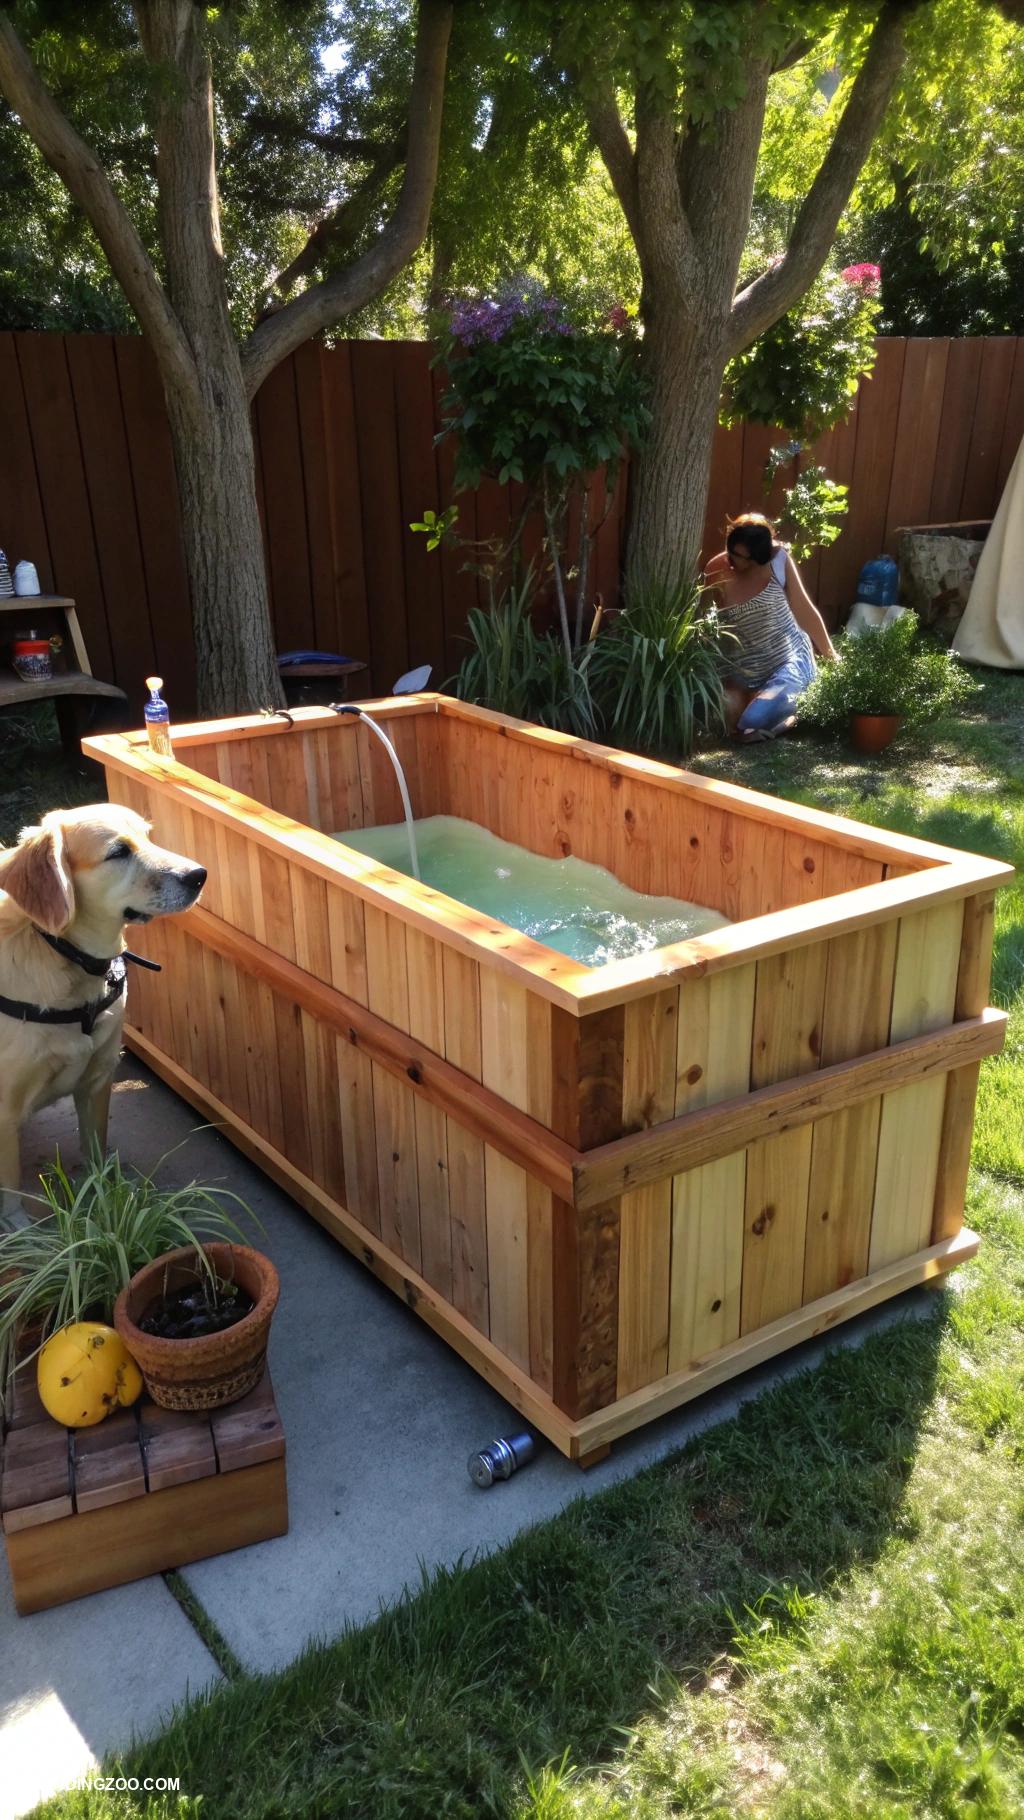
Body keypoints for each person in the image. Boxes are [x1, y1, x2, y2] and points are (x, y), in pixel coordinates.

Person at [703, 513, 838, 741]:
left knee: (753, 720)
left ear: (758, 559)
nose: (731, 559)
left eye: (740, 556)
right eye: (730, 550)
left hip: (786, 662)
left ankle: (781, 719)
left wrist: (831, 654)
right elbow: (705, 620)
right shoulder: (715, 569)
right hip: (740, 670)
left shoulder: (778, 561)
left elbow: (804, 610)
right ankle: (772, 717)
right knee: (720, 718)